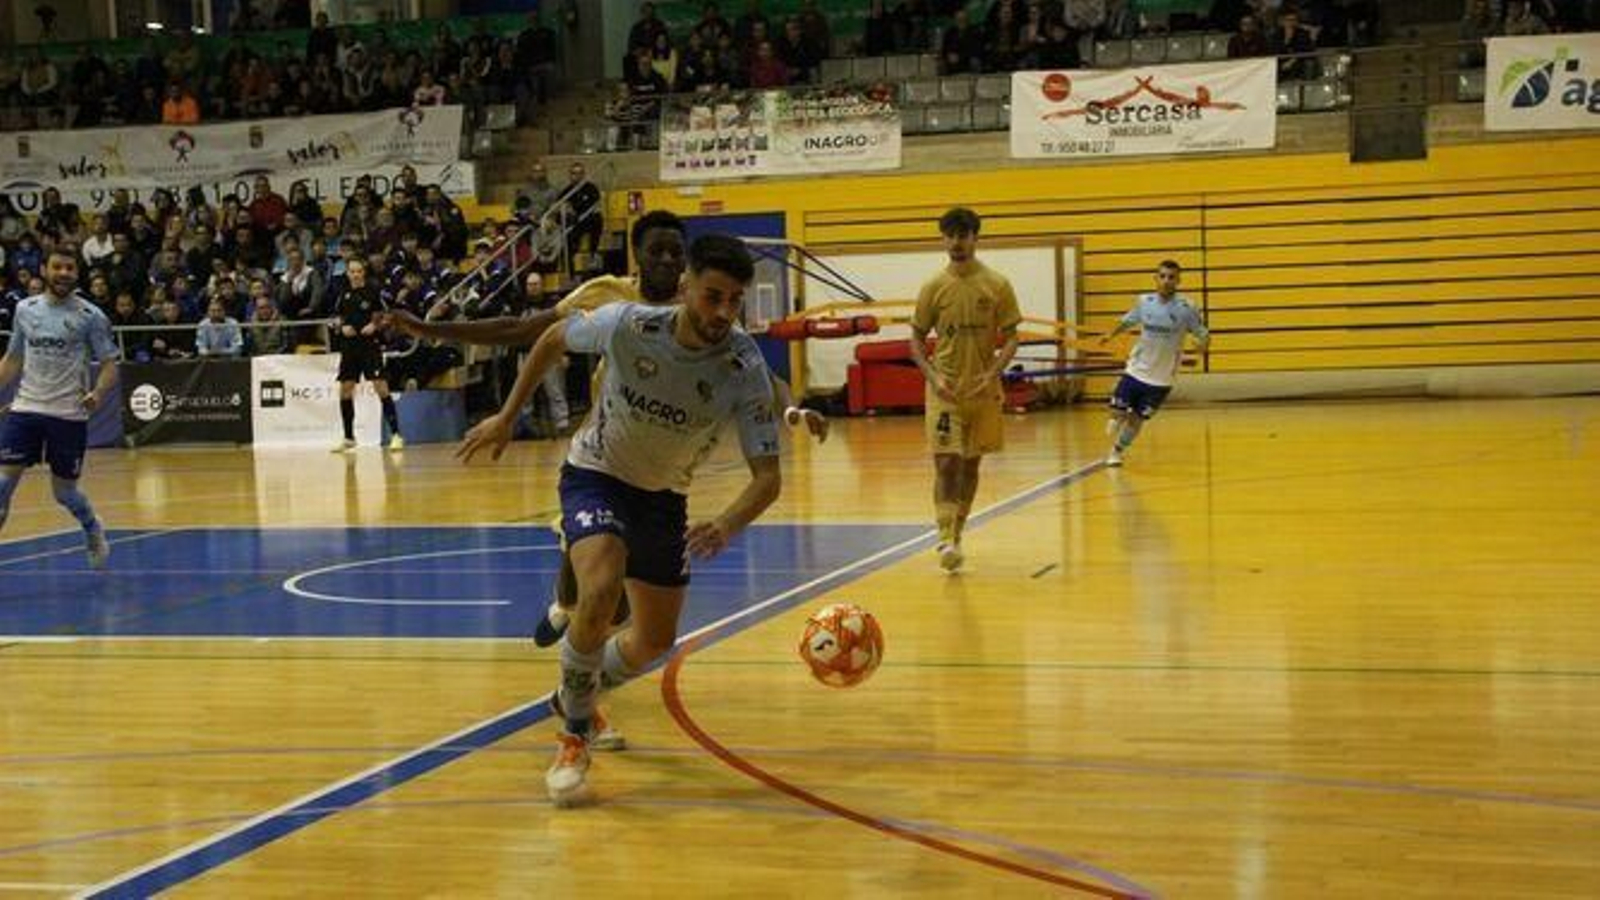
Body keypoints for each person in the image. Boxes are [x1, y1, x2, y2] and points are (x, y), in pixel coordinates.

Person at [381, 212, 826, 650]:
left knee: (619, 607)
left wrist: (791, 412)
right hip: (605, 447)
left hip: (666, 462)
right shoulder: (608, 296)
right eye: (658, 252)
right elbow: (526, 330)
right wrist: (427, 329)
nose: (668, 261)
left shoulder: (710, 306)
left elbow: (759, 376)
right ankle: (567, 617)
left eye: (676, 252)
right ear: (637, 255)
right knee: (603, 588)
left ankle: (574, 621)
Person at [455, 234, 783, 807]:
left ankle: (574, 692)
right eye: (713, 297)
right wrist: (508, 415)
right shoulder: (629, 325)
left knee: (654, 639)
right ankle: (575, 736)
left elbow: (767, 476)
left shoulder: (742, 364)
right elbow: (554, 337)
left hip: (664, 498)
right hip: (596, 473)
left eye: (735, 301)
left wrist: (726, 524)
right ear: (685, 287)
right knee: (600, 589)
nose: (724, 313)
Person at [908, 207, 1020, 574]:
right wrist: (932, 375)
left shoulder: (997, 284)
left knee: (971, 466)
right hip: (945, 392)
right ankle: (943, 536)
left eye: (963, 235)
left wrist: (993, 372)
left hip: (983, 394)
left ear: (975, 238)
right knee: (946, 461)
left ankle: (956, 535)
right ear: (943, 239)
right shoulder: (932, 287)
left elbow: (1013, 337)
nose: (956, 242)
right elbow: (915, 338)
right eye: (950, 235)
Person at [0, 249, 119, 566]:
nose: (63, 272)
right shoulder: (25, 309)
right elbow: (13, 359)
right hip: (25, 408)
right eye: (57, 267)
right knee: (2, 484)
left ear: (76, 273)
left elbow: (110, 365)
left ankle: (92, 528)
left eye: (69, 267)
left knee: (64, 493)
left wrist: (97, 393)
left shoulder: (91, 316)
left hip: (67, 415)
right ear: (44, 270)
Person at [1097, 260, 1209, 467]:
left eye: (1171, 277)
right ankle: (1116, 417)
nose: (1167, 281)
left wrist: (1201, 344)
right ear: (1156, 278)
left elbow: (1202, 333)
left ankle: (1117, 451)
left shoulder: (1187, 308)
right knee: (1116, 415)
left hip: (1161, 379)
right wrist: (1109, 335)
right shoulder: (1144, 301)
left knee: (1137, 420)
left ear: (1178, 281)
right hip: (1136, 369)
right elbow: (1127, 321)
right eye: (1163, 276)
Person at [333, 258, 404, 452]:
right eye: (352, 271)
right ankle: (349, 437)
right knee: (345, 389)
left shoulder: (373, 292)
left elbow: (387, 316)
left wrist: (375, 325)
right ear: (347, 273)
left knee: (381, 386)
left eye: (358, 271)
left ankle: (396, 435)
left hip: (369, 346)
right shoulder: (343, 294)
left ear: (363, 272)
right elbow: (337, 318)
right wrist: (342, 327)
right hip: (349, 347)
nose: (355, 274)